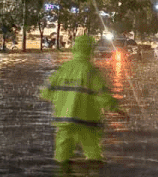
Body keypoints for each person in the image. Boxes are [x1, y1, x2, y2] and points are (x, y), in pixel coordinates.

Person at [40, 34, 124, 164]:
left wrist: (62, 103)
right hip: (86, 121)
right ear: (90, 50)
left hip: (64, 121)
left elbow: (46, 92)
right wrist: (117, 109)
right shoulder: (90, 71)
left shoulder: (64, 68)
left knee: (62, 158)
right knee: (94, 156)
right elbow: (102, 95)